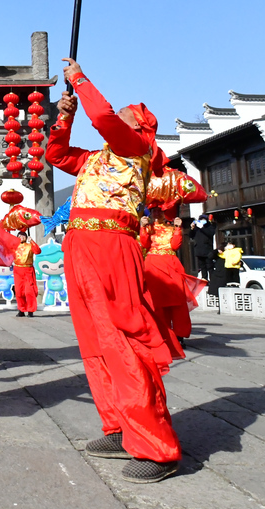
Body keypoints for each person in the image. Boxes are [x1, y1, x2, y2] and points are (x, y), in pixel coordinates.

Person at [45, 57, 180, 484]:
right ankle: (119, 424)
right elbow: (56, 154)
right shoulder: (96, 159)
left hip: (111, 245)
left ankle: (156, 447)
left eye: (128, 113)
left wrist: (79, 80)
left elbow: (101, 116)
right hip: (80, 245)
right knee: (94, 339)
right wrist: (63, 118)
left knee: (123, 338)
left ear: (140, 126)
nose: (117, 112)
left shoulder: (135, 149)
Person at [140, 212, 191, 355]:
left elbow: (175, 246)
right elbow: (145, 244)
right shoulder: (148, 228)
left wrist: (177, 229)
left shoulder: (171, 227)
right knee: (155, 302)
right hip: (152, 266)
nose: (157, 213)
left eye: (160, 210)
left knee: (177, 301)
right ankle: (160, 333)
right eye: (154, 209)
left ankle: (179, 334)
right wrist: (143, 228)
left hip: (171, 265)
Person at [12, 228, 41, 318]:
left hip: (28, 270)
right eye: (19, 236)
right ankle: (21, 309)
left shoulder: (29, 246)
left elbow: (38, 251)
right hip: (17, 270)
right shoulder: (14, 246)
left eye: (23, 235)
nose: (21, 237)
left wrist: (31, 241)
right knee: (19, 291)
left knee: (29, 291)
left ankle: (30, 310)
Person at [189, 215, 217, 282]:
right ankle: (204, 279)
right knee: (202, 267)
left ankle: (212, 280)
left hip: (208, 250)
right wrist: (192, 228)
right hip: (199, 250)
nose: (202, 221)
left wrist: (202, 228)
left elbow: (211, 233)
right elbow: (191, 235)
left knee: (210, 266)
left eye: (204, 219)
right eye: (201, 219)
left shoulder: (210, 227)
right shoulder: (197, 228)